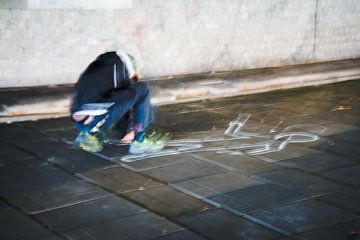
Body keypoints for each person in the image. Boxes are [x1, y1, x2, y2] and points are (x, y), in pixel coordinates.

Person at [70, 50, 166, 154]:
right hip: (96, 116)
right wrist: (125, 132)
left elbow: (118, 100)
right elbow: (123, 103)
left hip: (80, 119)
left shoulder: (99, 67)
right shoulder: (118, 65)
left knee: (114, 101)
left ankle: (89, 134)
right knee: (143, 88)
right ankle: (139, 140)